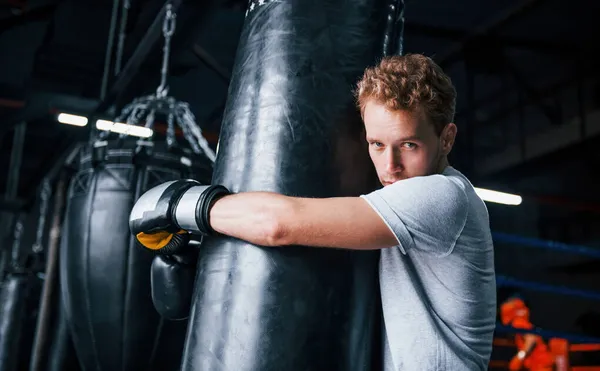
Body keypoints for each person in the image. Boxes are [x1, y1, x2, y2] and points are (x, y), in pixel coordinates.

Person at [130, 53, 497, 370]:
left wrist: (183, 204)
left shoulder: (443, 196)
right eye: (376, 144)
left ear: (446, 138)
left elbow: (278, 225)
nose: (390, 165)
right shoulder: (394, 201)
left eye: (409, 145)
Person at [500, 295, 555, 371]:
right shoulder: (522, 321)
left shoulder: (518, 323)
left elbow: (531, 339)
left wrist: (520, 357)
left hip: (539, 365)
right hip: (539, 364)